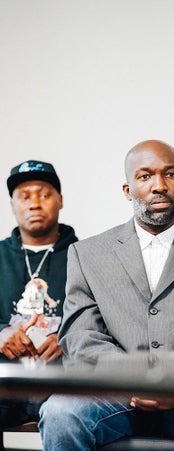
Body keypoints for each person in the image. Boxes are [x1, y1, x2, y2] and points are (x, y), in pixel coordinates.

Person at [41, 140, 174, 450]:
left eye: (170, 174)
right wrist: (133, 378)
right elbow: (80, 337)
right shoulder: (87, 254)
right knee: (60, 413)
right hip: (113, 391)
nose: (159, 186)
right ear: (128, 190)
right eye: (145, 176)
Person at [0, 160, 77, 426]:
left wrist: (69, 338)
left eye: (44, 195)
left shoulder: (86, 255)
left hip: (66, 383)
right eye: (25, 196)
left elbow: (106, 319)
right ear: (13, 205)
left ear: (60, 200)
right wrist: (1, 335)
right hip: (5, 381)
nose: (34, 203)